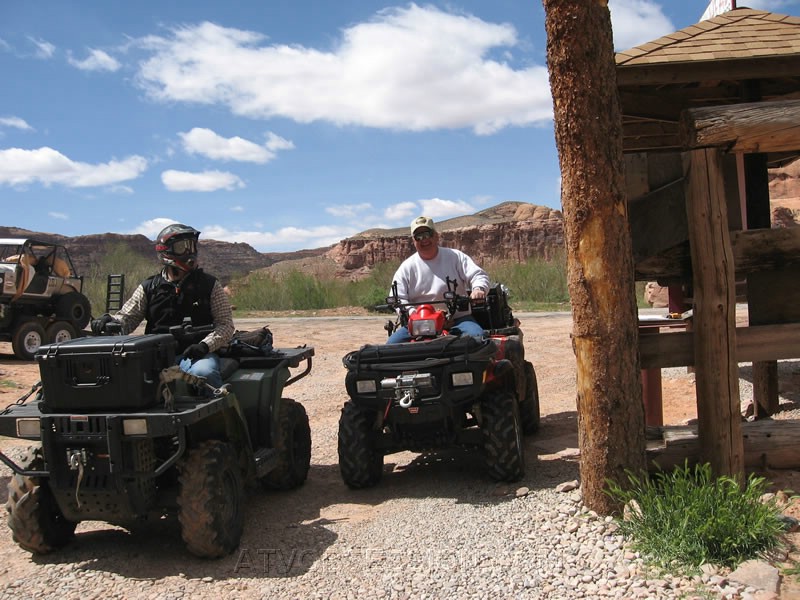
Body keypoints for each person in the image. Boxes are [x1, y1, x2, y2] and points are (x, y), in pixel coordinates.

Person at [90, 223, 235, 392]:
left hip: (195, 355)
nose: (190, 252)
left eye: (192, 246)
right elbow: (128, 318)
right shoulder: (149, 287)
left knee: (204, 373)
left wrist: (204, 346)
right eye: (182, 247)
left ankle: (213, 415)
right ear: (166, 251)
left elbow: (226, 325)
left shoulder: (210, 285)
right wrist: (111, 321)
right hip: (154, 357)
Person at [386, 216, 490, 344]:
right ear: (413, 241)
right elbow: (397, 296)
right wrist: (414, 315)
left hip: (457, 320)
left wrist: (478, 289)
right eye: (418, 236)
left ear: (436, 236)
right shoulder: (407, 267)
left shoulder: (455, 257)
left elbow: (478, 275)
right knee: (391, 346)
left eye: (427, 234)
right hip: (419, 323)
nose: (424, 240)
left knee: (478, 339)